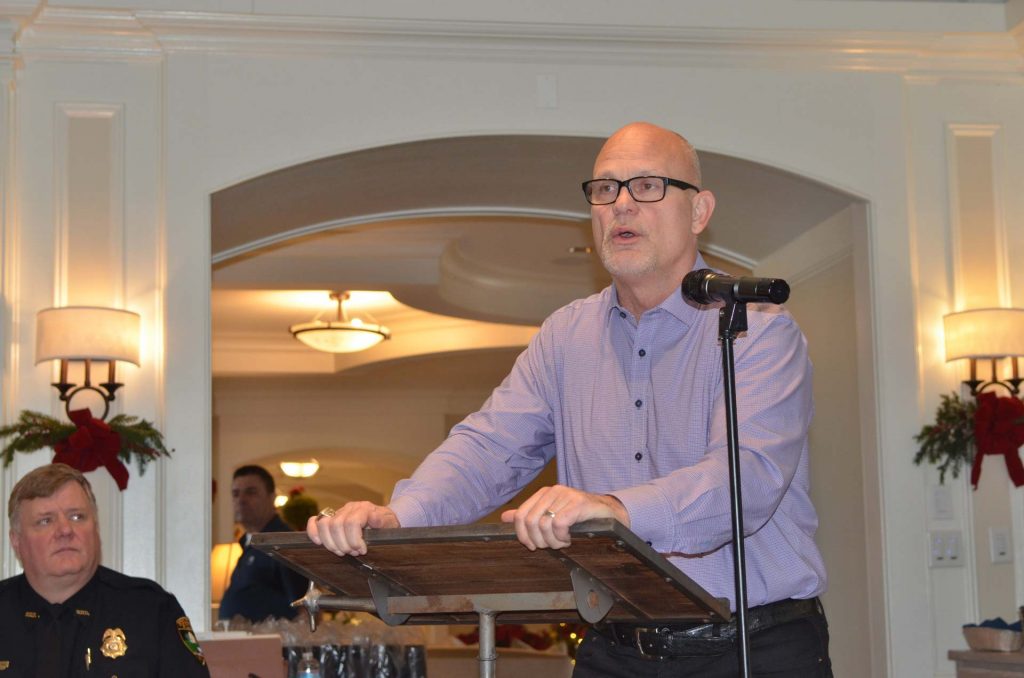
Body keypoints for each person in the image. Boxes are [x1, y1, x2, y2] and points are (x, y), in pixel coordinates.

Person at [309, 121, 832, 676]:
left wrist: (616, 510)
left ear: (699, 211)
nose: (622, 205)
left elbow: (745, 479)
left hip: (752, 647)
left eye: (648, 186)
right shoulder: (565, 335)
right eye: (605, 189)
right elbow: (489, 447)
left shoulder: (757, 326)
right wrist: (400, 516)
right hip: (616, 649)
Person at [0, 463, 210, 677]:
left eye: (77, 517)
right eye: (45, 520)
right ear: (16, 541)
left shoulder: (151, 611)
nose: (65, 530)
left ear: (96, 528)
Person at [218, 464, 307, 622]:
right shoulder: (248, 543)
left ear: (272, 497)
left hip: (271, 644)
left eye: (251, 492)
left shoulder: (284, 542)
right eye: (235, 494)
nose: (241, 500)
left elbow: (304, 609)